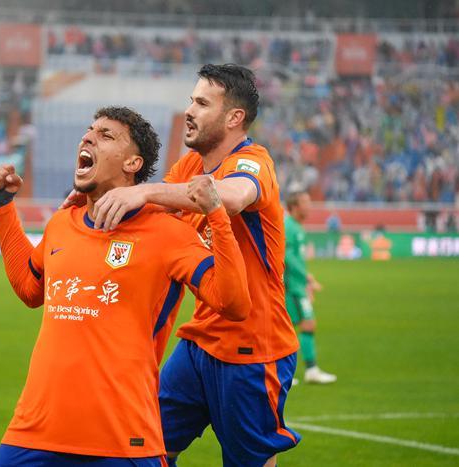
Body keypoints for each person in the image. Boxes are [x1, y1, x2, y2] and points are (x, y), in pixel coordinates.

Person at [0, 106, 251, 467]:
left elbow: (234, 303)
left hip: (123, 441)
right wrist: (1, 207)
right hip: (34, 432)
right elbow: (30, 289)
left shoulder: (169, 234)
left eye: (106, 135)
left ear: (132, 163)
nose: (88, 137)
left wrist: (216, 214)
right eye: (89, 130)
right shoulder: (62, 223)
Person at [66, 64, 301, 466]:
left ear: (234, 118)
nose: (189, 110)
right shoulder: (190, 166)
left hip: (253, 350)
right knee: (145, 447)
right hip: (198, 341)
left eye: (202, 103)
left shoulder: (254, 161)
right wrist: (94, 195)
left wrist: (145, 192)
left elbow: (231, 197)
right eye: (191, 101)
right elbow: (152, 210)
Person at [284, 191, 336, 384]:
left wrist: (306, 279)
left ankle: (299, 371)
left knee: (294, 326)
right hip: (292, 287)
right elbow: (286, 256)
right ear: (294, 206)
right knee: (301, 325)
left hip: (297, 285)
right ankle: (302, 371)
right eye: (305, 202)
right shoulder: (289, 226)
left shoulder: (296, 226)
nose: (309, 206)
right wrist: (306, 279)